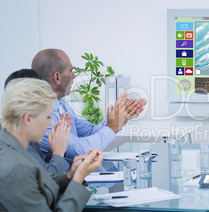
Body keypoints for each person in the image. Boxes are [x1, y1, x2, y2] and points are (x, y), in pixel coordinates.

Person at [0, 78, 104, 211]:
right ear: (28, 118)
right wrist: (77, 180)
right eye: (48, 117)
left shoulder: (10, 145)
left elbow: (34, 181)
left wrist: (70, 176)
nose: (50, 124)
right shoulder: (16, 168)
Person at [31, 48, 147, 163]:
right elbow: (82, 150)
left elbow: (88, 131)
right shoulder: (41, 116)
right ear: (57, 77)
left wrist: (117, 117)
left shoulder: (61, 104)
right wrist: (113, 126)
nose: (74, 76)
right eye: (71, 71)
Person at [2, 69, 70, 175]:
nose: (50, 123)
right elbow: (46, 179)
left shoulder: (23, 130)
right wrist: (59, 153)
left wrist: (55, 149)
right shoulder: (14, 142)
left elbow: (41, 169)